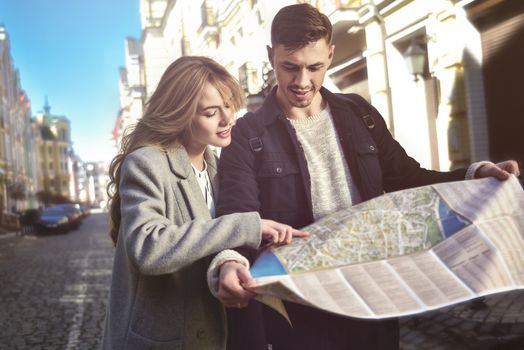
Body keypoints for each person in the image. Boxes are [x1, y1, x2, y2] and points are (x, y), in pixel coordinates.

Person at [212, 4, 521, 350]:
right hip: (301, 310)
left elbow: (406, 177)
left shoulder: (360, 114)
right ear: (271, 56)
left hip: (373, 301)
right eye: (290, 67)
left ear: (330, 55)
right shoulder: (246, 135)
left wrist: (474, 175)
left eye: (314, 67)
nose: (302, 82)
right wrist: (230, 261)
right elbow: (237, 217)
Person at [101, 56, 307, 350]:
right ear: (180, 114)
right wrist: (246, 226)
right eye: (211, 112)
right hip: (158, 340)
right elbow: (147, 248)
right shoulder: (146, 163)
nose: (227, 119)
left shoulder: (216, 166)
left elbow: (207, 248)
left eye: (228, 105)